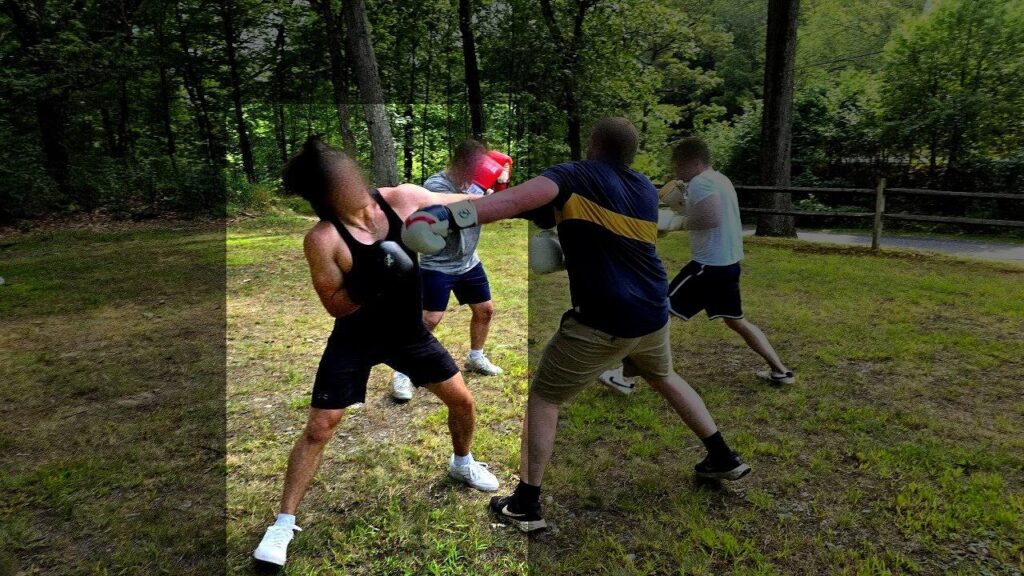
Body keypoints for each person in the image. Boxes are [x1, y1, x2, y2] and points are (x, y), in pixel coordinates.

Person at [401, 117, 751, 534]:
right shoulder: (640, 186)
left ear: (592, 144)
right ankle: (723, 456)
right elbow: (617, 237)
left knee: (544, 399)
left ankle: (526, 505)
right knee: (665, 376)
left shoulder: (572, 174)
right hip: (653, 310)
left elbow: (509, 202)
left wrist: (442, 217)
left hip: (605, 317)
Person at [252, 137, 499, 567]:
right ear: (326, 192)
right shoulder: (323, 239)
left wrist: (511, 195)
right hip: (356, 338)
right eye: (344, 177)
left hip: (409, 334)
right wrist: (375, 279)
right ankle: (282, 523)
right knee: (320, 427)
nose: (356, 180)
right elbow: (335, 304)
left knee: (462, 401)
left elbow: (468, 207)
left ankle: (462, 462)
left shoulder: (402, 201)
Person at [599, 137, 794, 396]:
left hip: (707, 268)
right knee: (737, 321)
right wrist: (684, 204)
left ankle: (625, 378)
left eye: (678, 165)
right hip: (728, 266)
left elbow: (710, 217)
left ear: (693, 161)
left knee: (657, 313)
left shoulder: (702, 182)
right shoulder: (719, 179)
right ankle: (780, 371)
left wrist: (673, 222)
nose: (676, 172)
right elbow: (710, 212)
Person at [390, 140, 507, 403]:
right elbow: (450, 220)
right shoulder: (435, 187)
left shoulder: (478, 185)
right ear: (463, 164)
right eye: (478, 167)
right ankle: (402, 371)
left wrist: (497, 190)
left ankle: (476, 358)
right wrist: (484, 198)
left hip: (468, 261)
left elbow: (493, 213)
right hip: (437, 264)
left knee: (485, 310)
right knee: (429, 319)